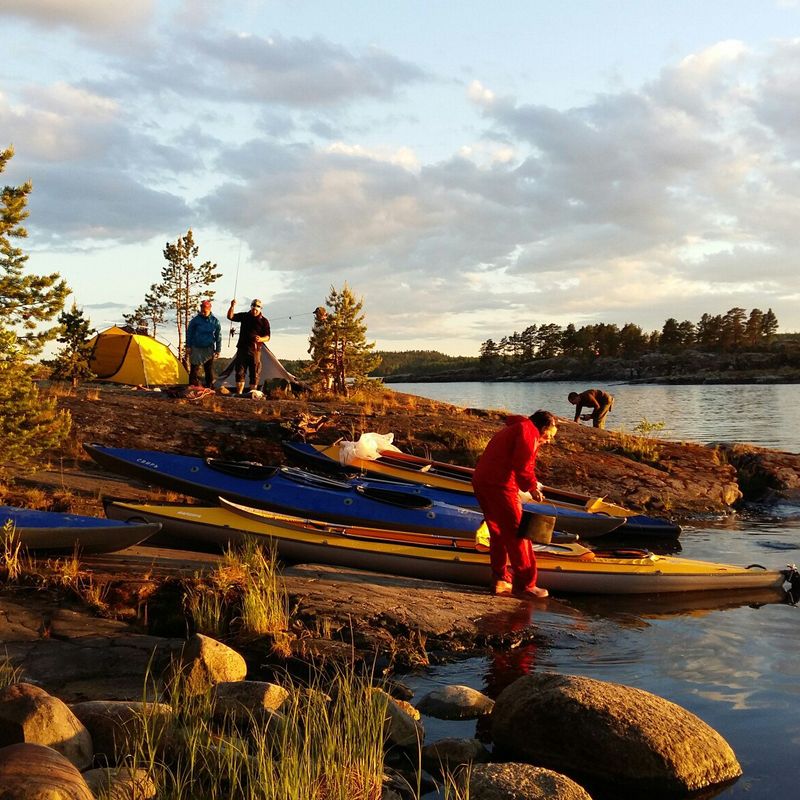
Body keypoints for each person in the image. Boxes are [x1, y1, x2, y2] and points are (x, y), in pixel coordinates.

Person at [472, 409, 558, 599]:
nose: (549, 440)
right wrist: (532, 487)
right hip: (500, 485)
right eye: (550, 435)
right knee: (519, 533)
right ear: (544, 427)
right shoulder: (528, 431)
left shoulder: (516, 427)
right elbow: (523, 464)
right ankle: (526, 585)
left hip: (482, 481)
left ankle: (500, 579)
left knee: (498, 532)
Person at [227, 298, 271, 394]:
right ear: (251, 307)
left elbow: (268, 337)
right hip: (242, 348)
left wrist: (260, 339)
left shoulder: (264, 321)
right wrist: (232, 306)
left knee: (254, 373)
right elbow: (230, 317)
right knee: (239, 372)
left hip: (255, 351)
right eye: (253, 307)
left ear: (260, 309)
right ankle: (239, 394)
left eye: (257, 308)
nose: (254, 310)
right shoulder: (245, 316)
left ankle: (252, 394)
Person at [185, 299, 221, 387]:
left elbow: (218, 336)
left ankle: (209, 387)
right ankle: (192, 387)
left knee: (208, 369)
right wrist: (188, 346)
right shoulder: (195, 321)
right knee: (194, 368)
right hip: (196, 347)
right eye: (202, 311)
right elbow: (189, 333)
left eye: (205, 311)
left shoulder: (215, 321)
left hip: (208, 348)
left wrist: (218, 350)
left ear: (209, 309)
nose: (203, 312)